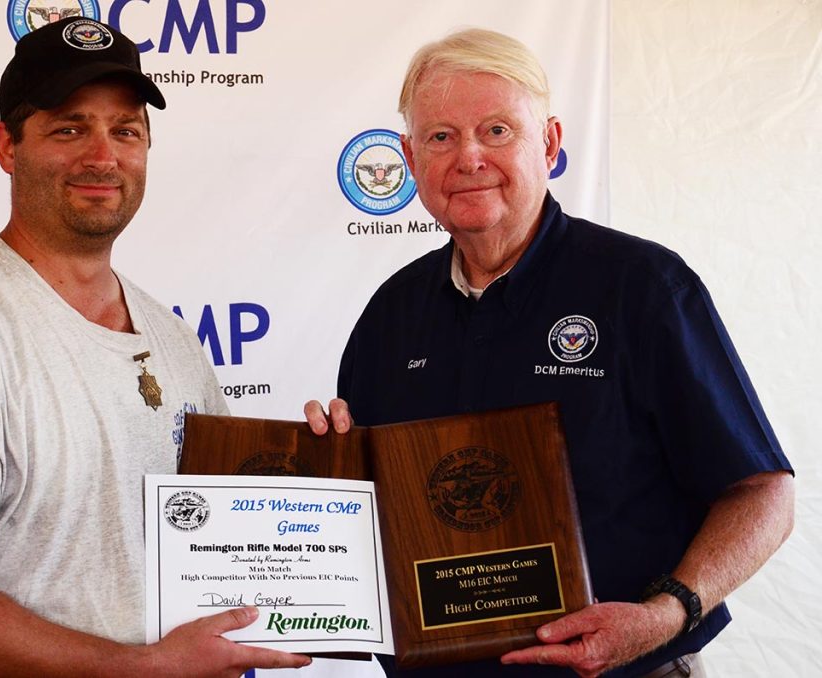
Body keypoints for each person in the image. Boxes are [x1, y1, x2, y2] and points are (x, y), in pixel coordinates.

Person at [305, 28, 794, 678]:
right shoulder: (391, 314)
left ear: (551, 143)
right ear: (410, 158)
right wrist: (325, 482)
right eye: (441, 136)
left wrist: (666, 613)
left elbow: (762, 491)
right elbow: (374, 513)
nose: (469, 157)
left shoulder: (642, 288)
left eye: (498, 131)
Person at [0, 17, 311, 678]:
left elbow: (221, 537)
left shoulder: (171, 338)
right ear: (7, 145)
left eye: (126, 130)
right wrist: (146, 667)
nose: (102, 156)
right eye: (69, 127)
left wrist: (327, 467)